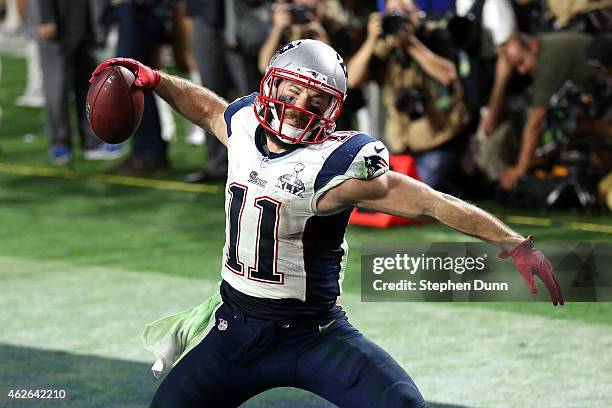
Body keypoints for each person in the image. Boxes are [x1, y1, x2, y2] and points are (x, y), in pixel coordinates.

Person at [91, 39, 563, 408]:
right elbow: (207, 107)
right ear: (271, 86)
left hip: (312, 335)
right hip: (233, 331)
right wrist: (154, 79)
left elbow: (430, 203)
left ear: (332, 111)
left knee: (401, 405)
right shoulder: (242, 127)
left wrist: (514, 243)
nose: (299, 106)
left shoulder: (335, 164)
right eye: (292, 91)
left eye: (314, 100)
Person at [348, 0, 470, 190]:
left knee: (414, 192)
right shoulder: (384, 45)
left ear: (417, 12)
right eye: (392, 13)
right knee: (372, 187)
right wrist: (371, 39)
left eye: (404, 11)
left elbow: (448, 75)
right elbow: (352, 80)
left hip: (439, 139)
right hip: (400, 142)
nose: (399, 16)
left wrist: (411, 42)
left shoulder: (434, 35)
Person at [499, 31, 599, 190]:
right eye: (516, 67)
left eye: (521, 62)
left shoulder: (547, 61)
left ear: (533, 46)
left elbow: (535, 122)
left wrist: (520, 169)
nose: (522, 71)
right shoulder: (546, 48)